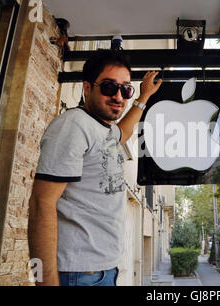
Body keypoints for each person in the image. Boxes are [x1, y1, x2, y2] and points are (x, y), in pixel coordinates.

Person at [27, 50, 162, 286]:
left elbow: (126, 131)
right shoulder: (73, 126)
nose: (119, 96)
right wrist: (44, 282)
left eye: (125, 89)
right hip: (77, 274)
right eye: (109, 87)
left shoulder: (105, 130)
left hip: (103, 270)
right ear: (87, 88)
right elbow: (41, 204)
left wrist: (144, 96)